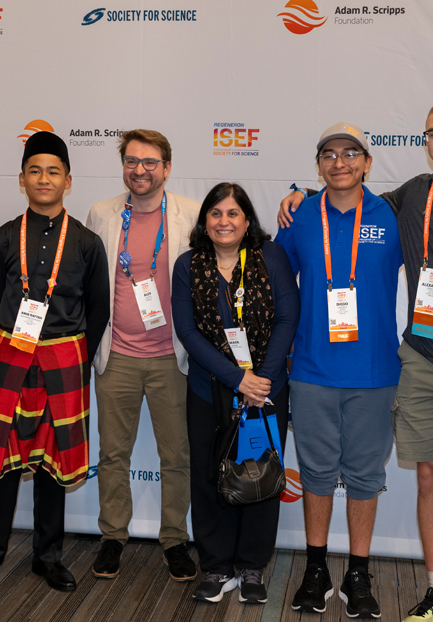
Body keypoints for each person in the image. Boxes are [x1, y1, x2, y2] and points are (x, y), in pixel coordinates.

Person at [279, 99, 433, 622]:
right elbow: (317, 231)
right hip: (415, 363)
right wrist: (297, 195)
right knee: (425, 480)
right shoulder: (408, 197)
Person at [0, 131, 109, 601]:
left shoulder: (86, 242)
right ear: (22, 180)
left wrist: (77, 359)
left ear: (68, 180)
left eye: (53, 171)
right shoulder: (0, 239)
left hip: (63, 358)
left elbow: (98, 311)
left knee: (54, 462)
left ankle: (48, 557)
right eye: (35, 171)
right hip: (10, 357)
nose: (44, 179)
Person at [274, 123, 402, 619]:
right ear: (318, 165)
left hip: (375, 372)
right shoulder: (300, 216)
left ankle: (359, 572)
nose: (340, 162)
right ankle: (315, 568)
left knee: (366, 477)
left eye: (351, 153)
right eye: (329, 154)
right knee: (317, 474)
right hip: (311, 369)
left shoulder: (393, 214)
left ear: (367, 162)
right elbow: (279, 289)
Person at [171, 183, 299, 603]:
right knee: (210, 477)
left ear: (247, 221)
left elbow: (286, 318)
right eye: (215, 214)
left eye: (233, 214)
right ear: (204, 221)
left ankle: (251, 567)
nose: (223, 222)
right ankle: (216, 565)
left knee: (259, 476)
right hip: (209, 391)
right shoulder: (188, 264)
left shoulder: (271, 257)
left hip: (265, 393)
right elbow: (188, 331)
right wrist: (236, 379)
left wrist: (259, 380)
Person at [85, 130, 199, 581]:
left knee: (177, 456)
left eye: (150, 162)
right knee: (113, 455)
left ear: (166, 168)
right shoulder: (102, 214)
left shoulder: (191, 215)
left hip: (173, 358)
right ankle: (113, 537)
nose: (140, 171)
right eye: (132, 161)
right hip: (117, 357)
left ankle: (174, 539)